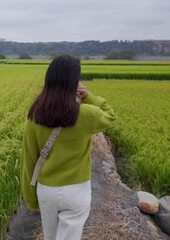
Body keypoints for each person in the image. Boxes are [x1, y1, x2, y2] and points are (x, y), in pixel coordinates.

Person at [20, 55, 116, 240]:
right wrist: (88, 96)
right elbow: (110, 115)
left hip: (46, 190)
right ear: (74, 82)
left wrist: (31, 198)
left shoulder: (35, 114)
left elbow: (29, 159)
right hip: (76, 190)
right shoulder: (87, 114)